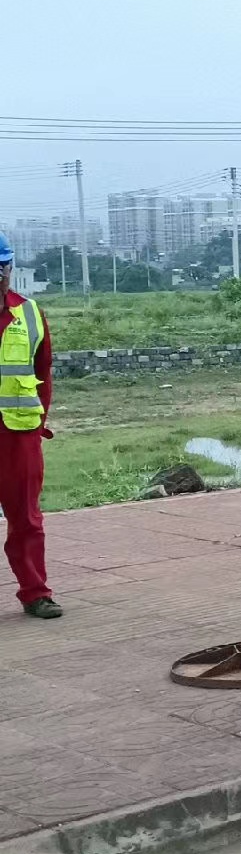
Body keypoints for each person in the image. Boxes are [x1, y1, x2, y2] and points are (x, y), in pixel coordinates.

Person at [0, 235, 60, 619]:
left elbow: (43, 373)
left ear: (9, 268)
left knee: (26, 519)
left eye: (1, 267)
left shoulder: (30, 313)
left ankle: (36, 593)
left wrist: (38, 422)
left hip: (18, 435)